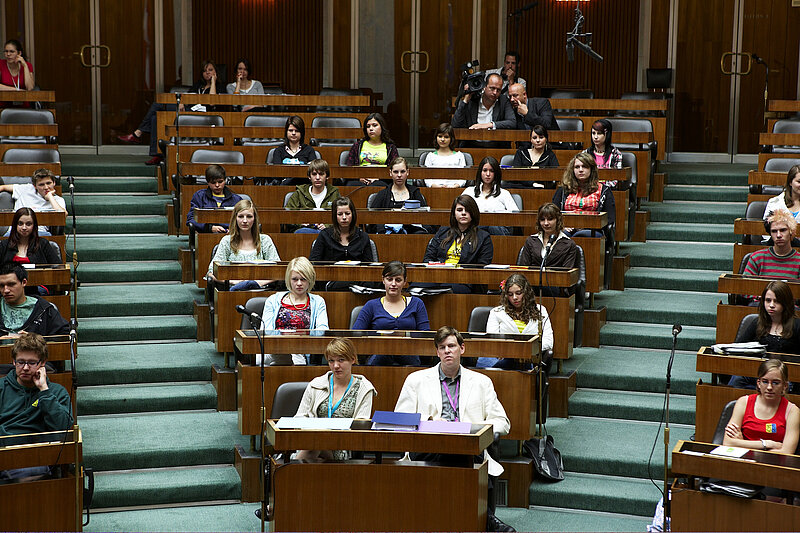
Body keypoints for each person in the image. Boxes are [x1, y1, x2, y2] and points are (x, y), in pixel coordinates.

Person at [394, 326, 514, 533]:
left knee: (462, 452)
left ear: (462, 349)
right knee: (454, 454)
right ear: (437, 352)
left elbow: (503, 422)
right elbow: (400, 420)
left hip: (467, 445)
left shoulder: (481, 382)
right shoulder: (416, 380)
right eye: (442, 347)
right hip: (427, 444)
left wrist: (472, 429)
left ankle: (472, 519)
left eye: (451, 346)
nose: (447, 351)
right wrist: (430, 421)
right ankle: (488, 520)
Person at [118, 60, 226, 165]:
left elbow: (212, 102)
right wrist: (182, 102)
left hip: (204, 116)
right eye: (204, 71)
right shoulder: (198, 85)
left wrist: (213, 82)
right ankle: (157, 155)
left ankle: (138, 133)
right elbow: (187, 97)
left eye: (210, 70)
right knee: (155, 117)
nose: (207, 73)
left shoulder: (220, 86)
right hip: (188, 111)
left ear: (215, 72)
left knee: (157, 105)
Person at [0, 333, 73, 482]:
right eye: (21, 362)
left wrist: (44, 391)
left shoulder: (56, 392)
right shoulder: (2, 388)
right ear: (13, 361)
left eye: (32, 363)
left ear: (43, 363)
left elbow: (64, 429)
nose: (25, 368)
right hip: (5, 453)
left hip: (37, 457)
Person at [294, 338, 377, 461]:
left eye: (341, 360)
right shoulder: (316, 384)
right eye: (331, 361)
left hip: (342, 445)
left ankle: (289, 470)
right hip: (312, 439)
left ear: (353, 359)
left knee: (314, 448)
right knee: (315, 450)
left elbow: (360, 426)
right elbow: (299, 417)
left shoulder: (364, 388)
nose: (336, 366)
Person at [353, 261, 430, 366]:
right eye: (389, 279)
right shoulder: (371, 305)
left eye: (398, 280)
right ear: (383, 280)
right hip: (379, 353)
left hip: (409, 353)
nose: (393, 284)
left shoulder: (416, 303)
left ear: (405, 282)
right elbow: (355, 334)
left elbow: (425, 336)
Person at [728, 281, 800, 390]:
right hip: (758, 373)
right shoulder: (757, 323)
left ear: (786, 303)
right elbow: (737, 348)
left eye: (776, 301)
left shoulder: (797, 325)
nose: (771, 305)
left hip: (785, 376)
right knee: (738, 379)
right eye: (768, 300)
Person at [259, 257, 329, 365]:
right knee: (260, 359)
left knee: (292, 361)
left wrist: (298, 337)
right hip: (274, 348)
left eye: (303, 279)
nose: (299, 283)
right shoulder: (273, 300)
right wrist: (286, 338)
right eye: (295, 279)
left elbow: (322, 330)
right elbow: (266, 330)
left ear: (310, 279)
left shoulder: (318, 301)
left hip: (299, 350)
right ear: (289, 279)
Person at [476, 273, 553, 370]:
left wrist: (525, 350)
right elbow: (493, 341)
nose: (514, 298)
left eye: (518, 293)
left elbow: (548, 341)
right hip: (503, 357)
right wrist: (509, 352)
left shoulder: (540, 310)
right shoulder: (496, 312)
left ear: (526, 292)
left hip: (528, 358)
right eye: (510, 294)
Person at [724, 358, 799, 454]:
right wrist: (767, 444)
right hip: (741, 459)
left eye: (775, 383)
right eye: (765, 381)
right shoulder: (743, 402)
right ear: (758, 383)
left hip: (773, 462)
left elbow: (787, 452)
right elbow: (728, 443)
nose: (769, 387)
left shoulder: (792, 411)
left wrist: (742, 443)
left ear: (785, 386)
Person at [422, 195, 493, 293]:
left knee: (453, 290)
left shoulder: (483, 237)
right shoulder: (443, 232)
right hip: (438, 276)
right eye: (459, 210)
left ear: (473, 213)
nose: (463, 213)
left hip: (463, 280)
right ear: (454, 214)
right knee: (415, 286)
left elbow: (482, 267)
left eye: (467, 210)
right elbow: (428, 258)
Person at [206, 199, 280, 290]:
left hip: (261, 290)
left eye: (249, 216)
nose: (245, 220)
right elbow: (212, 272)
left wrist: (255, 283)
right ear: (235, 218)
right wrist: (233, 282)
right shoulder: (227, 241)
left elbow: (278, 271)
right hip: (233, 291)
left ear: (254, 219)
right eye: (241, 216)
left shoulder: (265, 240)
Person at [552, 153, 616, 238]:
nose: (581, 170)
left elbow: (609, 218)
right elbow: (553, 213)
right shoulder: (563, 189)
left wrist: (587, 225)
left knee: (580, 235)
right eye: (577, 167)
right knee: (562, 236)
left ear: (591, 169)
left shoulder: (604, 190)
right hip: (567, 228)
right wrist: (562, 226)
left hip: (593, 229)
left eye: (584, 167)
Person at [0, 263, 68, 337]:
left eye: (11, 284)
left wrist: (34, 340)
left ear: (24, 282)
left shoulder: (44, 309)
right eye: (1, 286)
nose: (6, 290)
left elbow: (64, 335)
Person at [368, 157, 429, 234]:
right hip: (387, 235)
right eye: (396, 172)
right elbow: (372, 219)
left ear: (407, 172)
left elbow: (425, 218)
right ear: (390, 173)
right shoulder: (383, 194)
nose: (399, 175)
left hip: (412, 234)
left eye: (402, 171)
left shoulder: (415, 192)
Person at [0, 168, 66, 236]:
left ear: (54, 183)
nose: (46, 187)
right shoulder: (25, 189)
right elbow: (3, 187)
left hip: (39, 233)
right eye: (41, 185)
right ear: (35, 186)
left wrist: (50, 197)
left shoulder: (57, 200)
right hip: (16, 232)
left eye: (48, 183)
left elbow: (63, 215)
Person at [462, 156, 518, 235]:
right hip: (476, 230)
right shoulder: (469, 192)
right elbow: (459, 211)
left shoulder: (504, 193)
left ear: (496, 173)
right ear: (480, 172)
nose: (488, 174)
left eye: (491, 171)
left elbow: (515, 216)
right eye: (485, 170)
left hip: (498, 231)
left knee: (491, 227)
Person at [309, 197, 374, 263]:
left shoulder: (363, 236)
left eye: (347, 213)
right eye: (340, 214)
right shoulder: (325, 235)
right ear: (335, 216)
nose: (344, 217)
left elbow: (369, 265)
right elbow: (313, 263)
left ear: (353, 214)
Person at [285, 159, 340, 234]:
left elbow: (341, 215)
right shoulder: (299, 193)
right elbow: (288, 215)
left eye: (321, 174)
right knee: (301, 232)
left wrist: (327, 225)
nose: (317, 177)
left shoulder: (334, 193)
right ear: (309, 177)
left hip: (327, 231)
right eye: (314, 174)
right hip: (305, 231)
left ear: (327, 176)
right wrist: (300, 223)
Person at [518, 202, 580, 270]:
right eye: (542, 219)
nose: (546, 223)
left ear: (558, 220)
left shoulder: (569, 244)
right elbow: (523, 269)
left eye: (550, 219)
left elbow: (567, 272)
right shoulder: (531, 241)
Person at [743, 210, 800, 279]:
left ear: (791, 232)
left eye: (783, 230)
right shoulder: (756, 258)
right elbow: (746, 284)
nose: (778, 235)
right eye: (774, 231)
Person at [186, 165, 243, 234]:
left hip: (230, 235)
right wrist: (210, 228)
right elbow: (191, 219)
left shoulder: (236, 199)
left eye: (220, 182)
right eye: (213, 183)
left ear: (225, 180)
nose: (217, 185)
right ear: (208, 182)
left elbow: (243, 219)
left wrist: (233, 229)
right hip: (207, 234)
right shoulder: (199, 196)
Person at [344, 113, 399, 182]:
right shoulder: (357, 146)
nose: (371, 129)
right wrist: (359, 178)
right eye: (368, 126)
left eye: (375, 125)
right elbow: (349, 168)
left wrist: (378, 179)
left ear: (382, 127)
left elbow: (395, 169)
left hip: (382, 181)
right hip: (360, 180)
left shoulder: (391, 148)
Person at [422, 123, 468, 188]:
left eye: (446, 137)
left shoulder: (459, 156)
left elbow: (463, 177)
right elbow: (427, 178)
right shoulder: (430, 156)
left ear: (451, 139)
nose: (442, 139)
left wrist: (454, 186)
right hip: (434, 190)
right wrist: (436, 186)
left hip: (455, 189)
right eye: (440, 136)